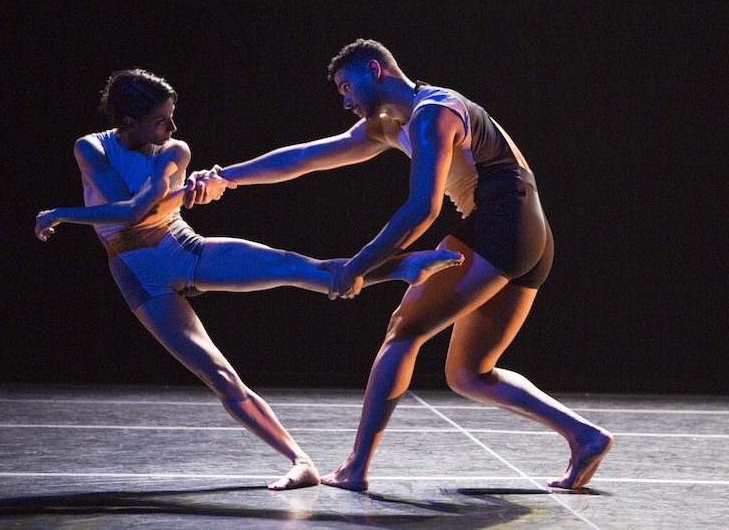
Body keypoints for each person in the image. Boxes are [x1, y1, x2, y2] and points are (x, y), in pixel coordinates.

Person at [191, 39, 613, 490]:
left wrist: (357, 266)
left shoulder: (434, 112)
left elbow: (422, 209)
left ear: (375, 70)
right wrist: (225, 177)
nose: (346, 100)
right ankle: (584, 436)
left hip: (502, 223)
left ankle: (355, 469)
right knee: (468, 373)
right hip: (525, 234)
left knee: (403, 331)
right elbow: (305, 157)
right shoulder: (390, 126)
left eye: (347, 86)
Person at [34, 68, 463, 491]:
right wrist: (178, 197)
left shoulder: (174, 150)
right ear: (129, 122)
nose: (173, 126)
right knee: (219, 376)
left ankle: (399, 267)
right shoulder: (91, 149)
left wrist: (61, 213)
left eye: (172, 114)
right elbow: (128, 209)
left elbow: (136, 212)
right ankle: (302, 461)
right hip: (139, 276)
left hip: (185, 250)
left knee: (295, 266)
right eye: (162, 119)